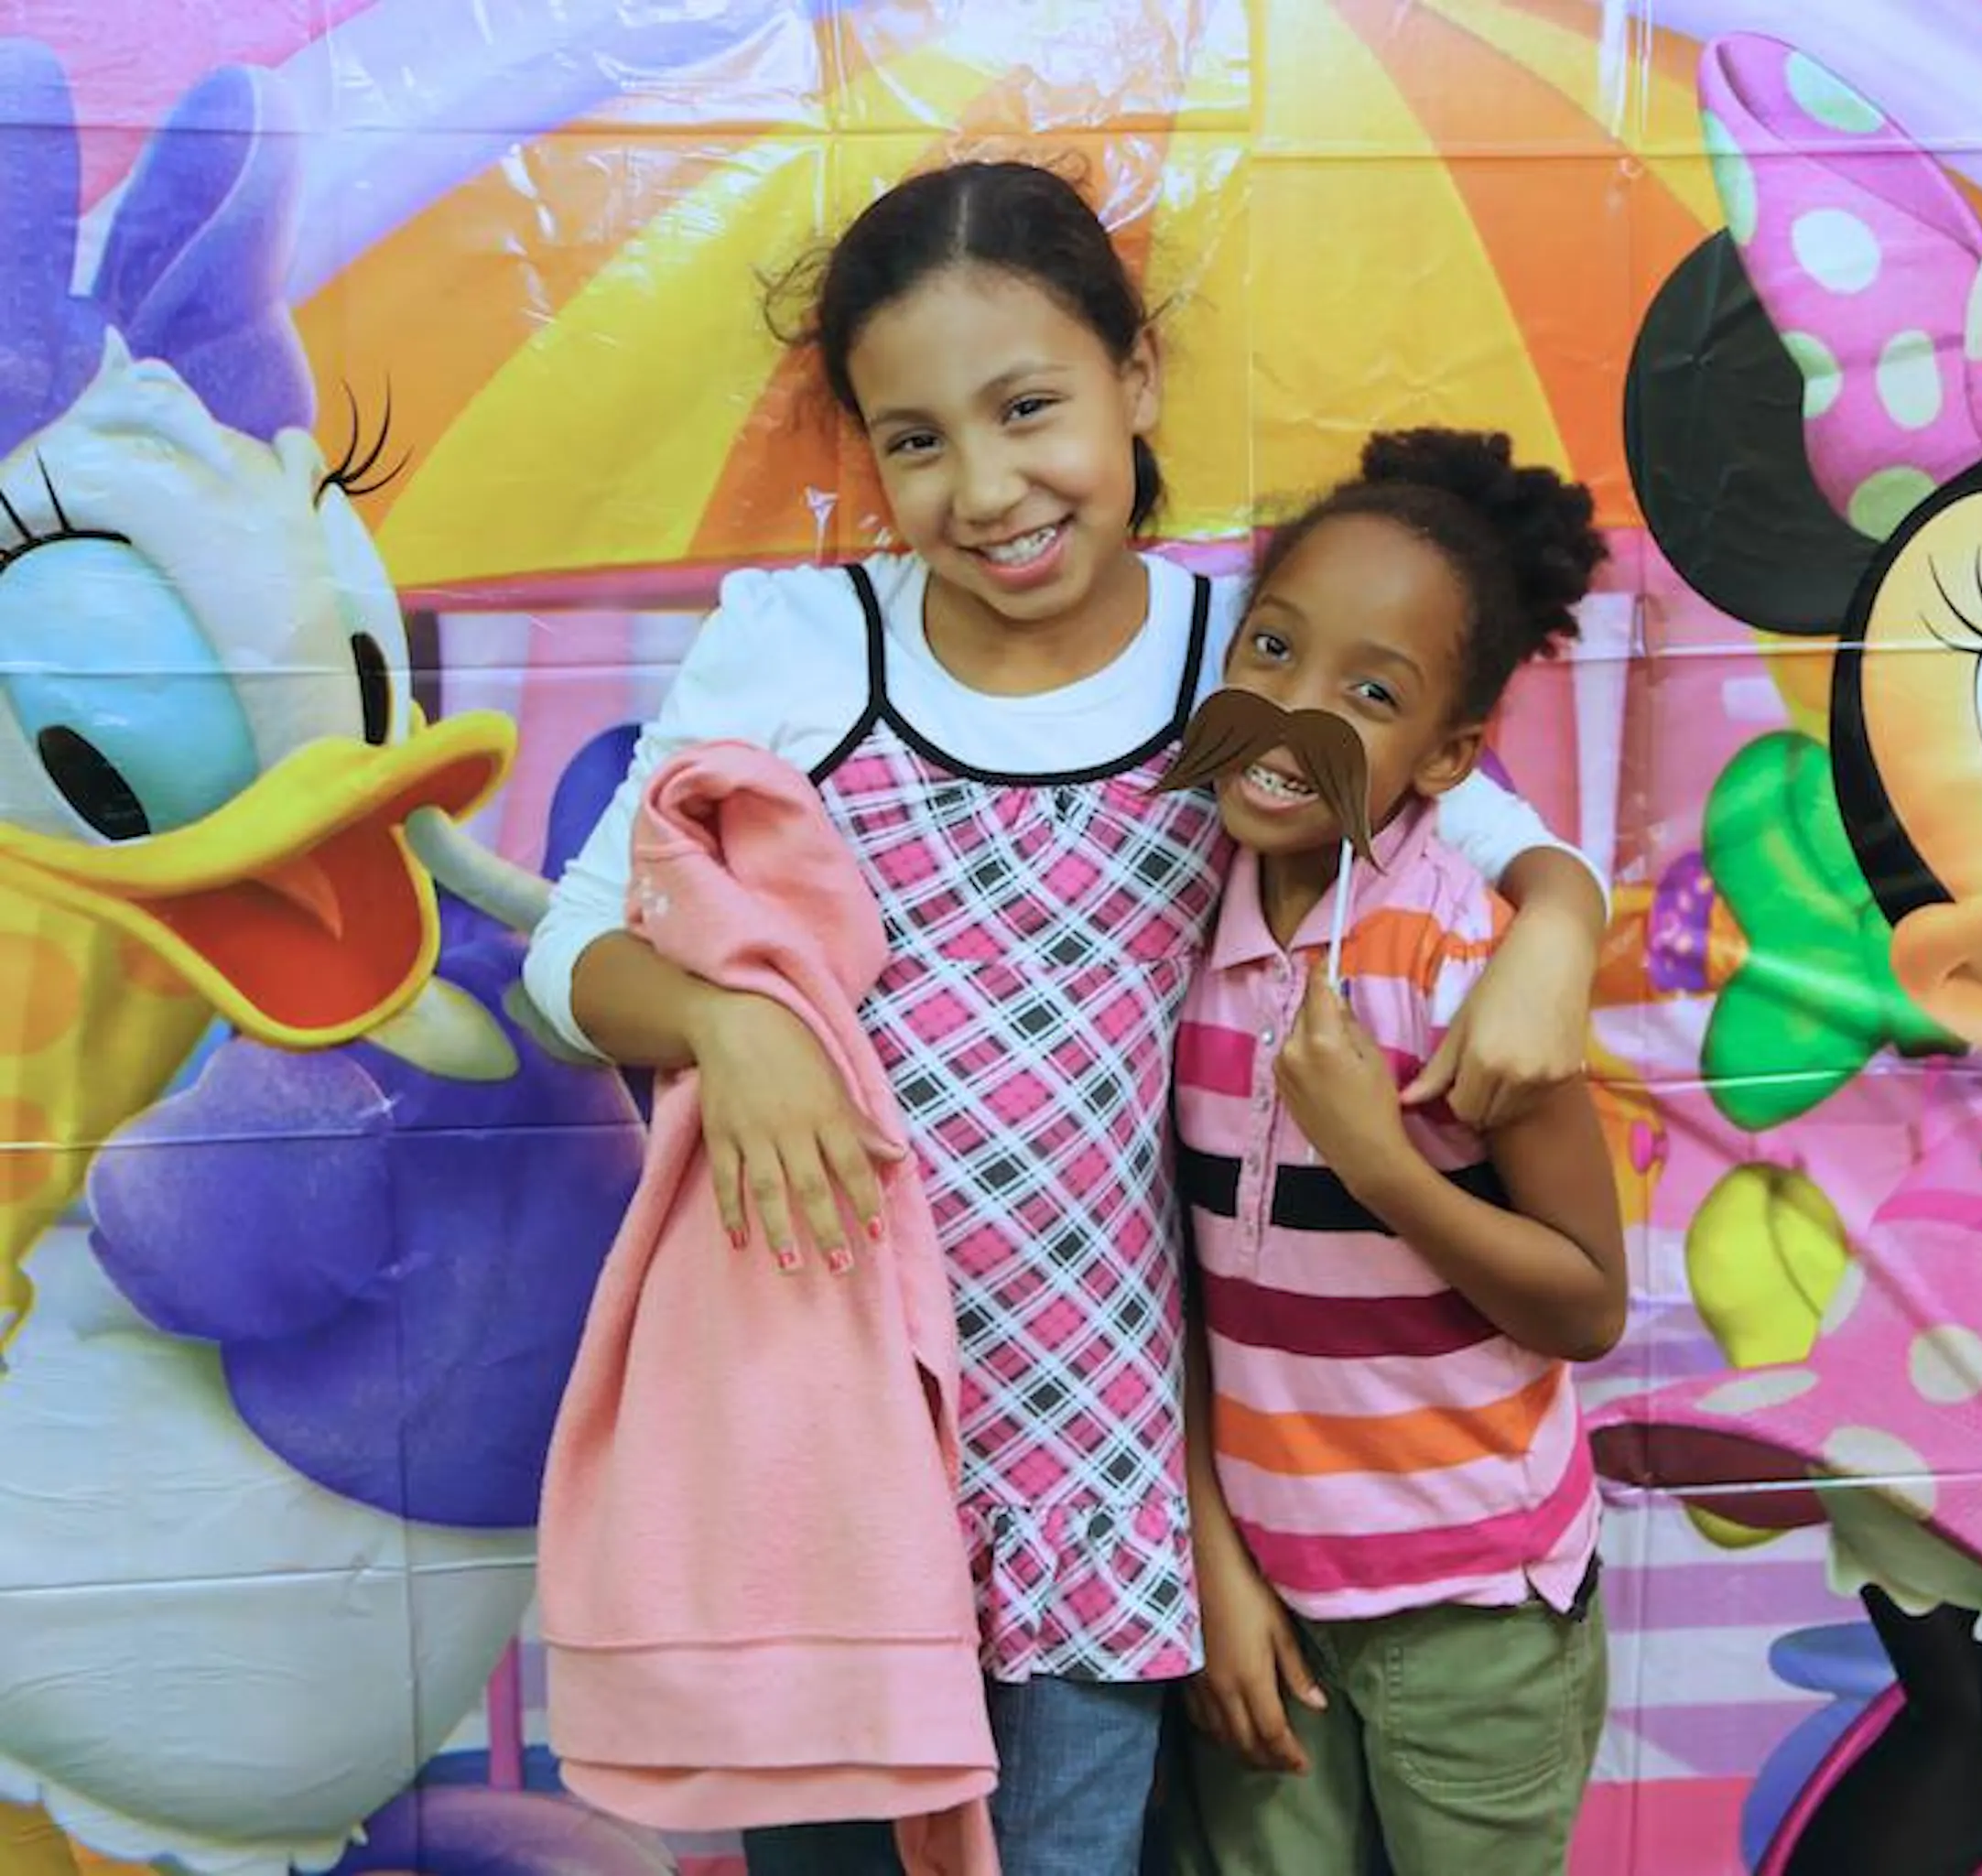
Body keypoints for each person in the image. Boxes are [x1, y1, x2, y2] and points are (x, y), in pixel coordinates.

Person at [520, 163, 1609, 1876]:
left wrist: (1561, 926)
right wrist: (728, 1026)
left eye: (1029, 408)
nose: (986, 488)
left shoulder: (1244, 654)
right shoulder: (800, 645)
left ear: (1137, 378)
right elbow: (572, 952)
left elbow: (1482, 825)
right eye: (917, 439)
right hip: (828, 1434)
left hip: (1092, 1448)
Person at [1165, 429, 1627, 1875]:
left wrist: (1385, 1171)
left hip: (1473, 1611)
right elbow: (1178, 1291)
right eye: (1271, 650)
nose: (1292, 715)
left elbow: (1586, 1304)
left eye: (1369, 693)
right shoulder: (1182, 925)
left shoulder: (1460, 956)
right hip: (1268, 1600)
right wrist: (1216, 1563)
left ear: (1447, 755)